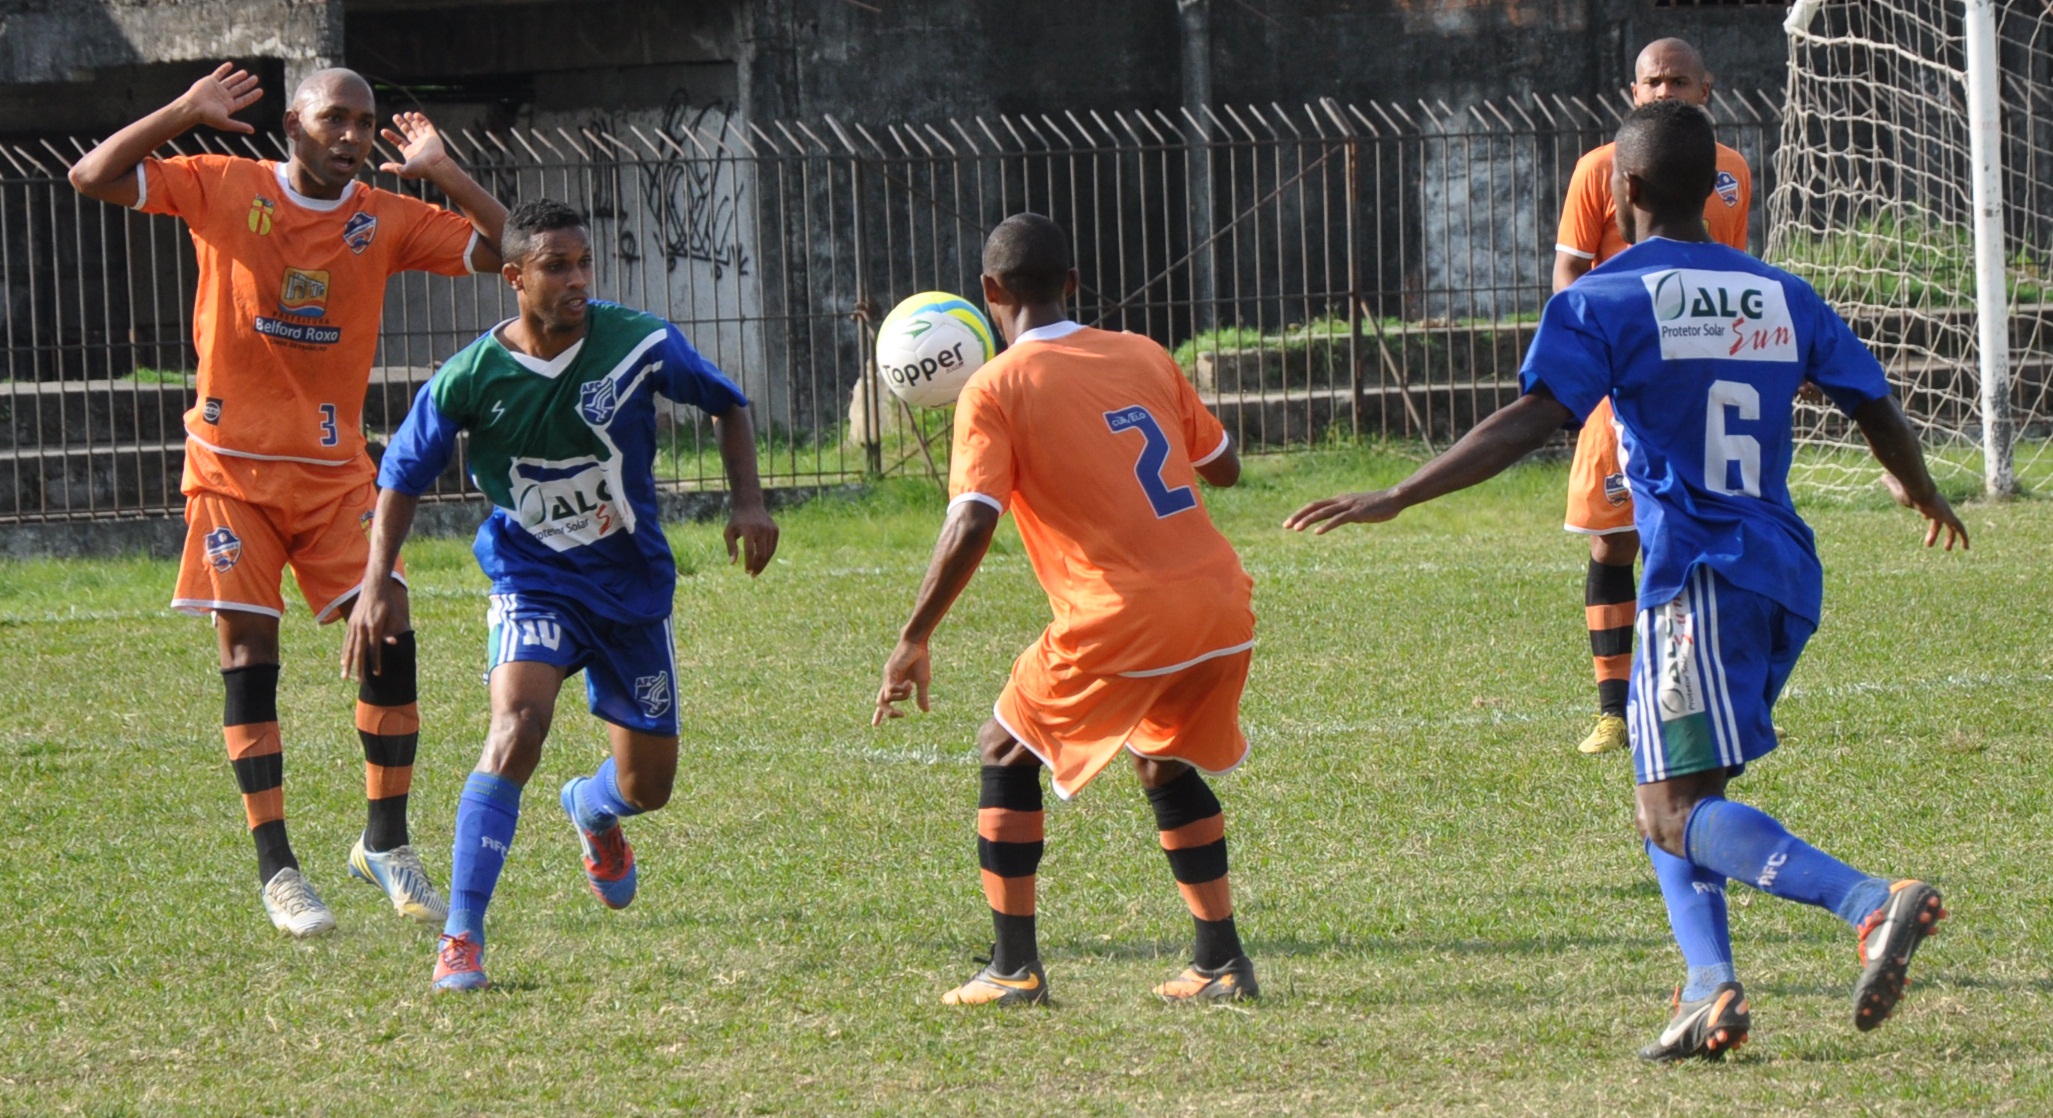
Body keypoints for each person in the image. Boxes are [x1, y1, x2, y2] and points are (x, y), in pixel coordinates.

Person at [1286, 100, 1964, 1060]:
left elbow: (1530, 418)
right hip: (1781, 569)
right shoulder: (1780, 292)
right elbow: (1874, 402)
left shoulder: (1606, 298)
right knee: (1678, 790)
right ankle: (1706, 989)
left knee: (1669, 808)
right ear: (1709, 190)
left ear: (1623, 191)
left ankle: (1867, 901)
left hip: (1697, 573)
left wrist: (1400, 491)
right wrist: (1921, 488)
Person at [68, 62, 507, 936]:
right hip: (230, 470)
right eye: (334, 119)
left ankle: (385, 840)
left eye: (365, 122)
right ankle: (279, 872)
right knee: (249, 660)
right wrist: (183, 112)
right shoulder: (223, 186)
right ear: (294, 126)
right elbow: (90, 175)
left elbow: (510, 252)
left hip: (335, 473)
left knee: (388, 631)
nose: (351, 136)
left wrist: (446, 171)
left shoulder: (381, 218)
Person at [348, 199, 778, 993]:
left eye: (584, 263)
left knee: (649, 786)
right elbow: (399, 477)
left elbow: (726, 401)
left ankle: (592, 808)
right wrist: (377, 579)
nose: (576, 278)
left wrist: (747, 501)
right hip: (531, 579)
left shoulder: (638, 342)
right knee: (516, 728)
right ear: (513, 278)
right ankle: (461, 938)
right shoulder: (470, 377)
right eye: (556, 266)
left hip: (630, 587)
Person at [873, 213, 1258, 1006]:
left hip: (1122, 614)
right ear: (1073, 284)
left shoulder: (994, 386)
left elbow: (972, 516)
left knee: (1003, 748)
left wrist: (913, 638)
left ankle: (1013, 970)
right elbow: (1223, 468)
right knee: (1162, 757)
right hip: (1220, 600)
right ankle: (1219, 962)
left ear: (988, 294)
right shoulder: (1144, 353)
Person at [1554, 38, 1753, 756]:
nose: (1662, 90)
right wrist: (1589, 364)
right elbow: (1569, 275)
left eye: (1676, 79)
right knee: (1614, 539)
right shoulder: (1595, 171)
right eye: (1650, 80)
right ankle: (1613, 707)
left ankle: (1706, 695)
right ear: (1632, 91)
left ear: (1705, 89)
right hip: (1622, 384)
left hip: (1700, 387)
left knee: (1704, 536)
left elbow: (1732, 275)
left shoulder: (1731, 173)